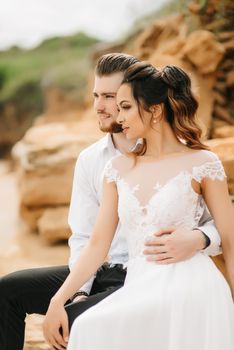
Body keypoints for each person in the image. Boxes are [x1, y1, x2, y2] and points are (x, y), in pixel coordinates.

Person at [0, 54, 221, 350]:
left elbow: (217, 222)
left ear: (140, 98)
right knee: (8, 290)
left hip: (150, 273)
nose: (102, 107)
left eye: (112, 98)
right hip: (98, 269)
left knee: (78, 321)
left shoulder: (190, 161)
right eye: (96, 96)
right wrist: (78, 292)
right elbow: (85, 237)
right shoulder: (94, 161)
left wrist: (200, 237)